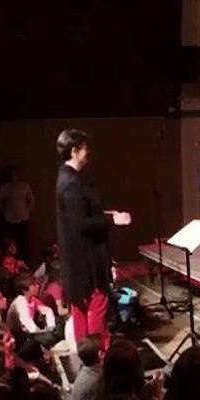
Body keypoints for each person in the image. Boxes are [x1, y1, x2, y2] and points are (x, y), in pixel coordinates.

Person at [54, 129, 130, 353]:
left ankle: (87, 358)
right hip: (85, 262)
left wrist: (105, 212)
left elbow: (80, 212)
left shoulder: (67, 178)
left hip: (77, 261)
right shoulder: (70, 183)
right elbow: (81, 223)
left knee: (81, 309)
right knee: (96, 306)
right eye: (85, 148)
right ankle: (97, 356)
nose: (89, 153)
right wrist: (112, 220)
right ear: (75, 151)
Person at [0, 165, 34, 261]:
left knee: (24, 245)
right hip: (10, 220)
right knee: (11, 246)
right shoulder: (5, 188)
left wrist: (26, 211)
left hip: (23, 219)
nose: (13, 176)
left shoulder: (24, 186)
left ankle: (26, 266)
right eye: (11, 174)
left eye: (14, 174)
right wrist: (7, 212)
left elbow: (31, 201)